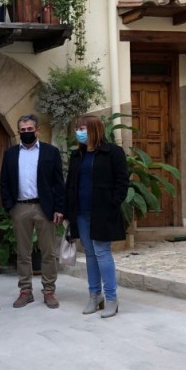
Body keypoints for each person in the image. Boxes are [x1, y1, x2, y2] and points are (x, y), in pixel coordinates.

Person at [64, 115, 129, 318]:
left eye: (82, 128)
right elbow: (70, 185)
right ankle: (94, 296)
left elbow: (122, 181)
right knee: (90, 255)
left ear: (94, 129)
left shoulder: (113, 152)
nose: (79, 132)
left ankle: (111, 298)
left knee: (102, 252)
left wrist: (112, 203)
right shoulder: (77, 155)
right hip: (81, 213)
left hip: (103, 212)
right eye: (77, 128)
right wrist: (68, 212)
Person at [0, 114, 65, 309]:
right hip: (20, 207)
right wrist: (10, 206)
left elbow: (58, 182)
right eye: (23, 130)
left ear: (37, 130)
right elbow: (4, 181)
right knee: (23, 253)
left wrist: (59, 208)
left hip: (44, 207)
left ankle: (49, 291)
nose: (26, 132)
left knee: (49, 252)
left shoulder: (50, 152)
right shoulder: (10, 153)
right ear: (18, 131)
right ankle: (25, 291)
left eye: (30, 129)